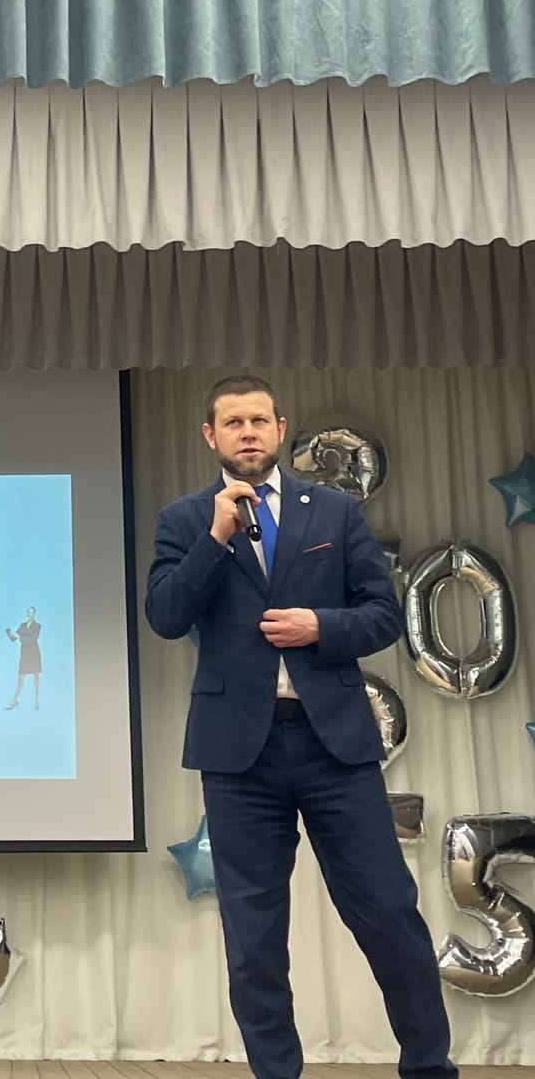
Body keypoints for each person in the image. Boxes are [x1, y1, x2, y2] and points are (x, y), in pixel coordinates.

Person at [145, 375, 455, 1079]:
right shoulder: (187, 519)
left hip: (334, 747)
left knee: (388, 912)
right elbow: (165, 615)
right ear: (211, 436)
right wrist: (216, 538)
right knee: (254, 939)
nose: (248, 432)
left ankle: (429, 1067)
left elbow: (384, 614)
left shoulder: (335, 511)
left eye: (259, 420)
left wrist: (322, 626)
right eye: (233, 423)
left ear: (282, 429)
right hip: (239, 758)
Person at [5, 605, 41, 710]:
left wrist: (19, 637)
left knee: (36, 677)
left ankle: (36, 701)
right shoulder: (22, 625)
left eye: (32, 612)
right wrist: (8, 631)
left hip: (34, 653)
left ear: (35, 614)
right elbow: (13, 639)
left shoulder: (37, 626)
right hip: (24, 654)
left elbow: (33, 639)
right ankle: (14, 701)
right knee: (21, 678)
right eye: (29, 612)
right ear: (27, 613)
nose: (30, 614)